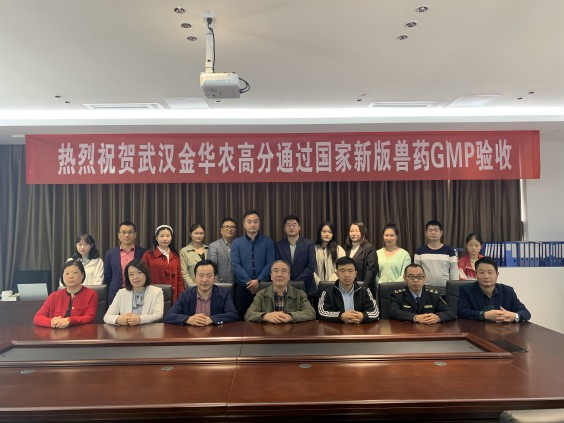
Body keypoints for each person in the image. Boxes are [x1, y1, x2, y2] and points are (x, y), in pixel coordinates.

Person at [231, 210, 276, 319]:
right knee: (242, 319)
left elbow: (271, 262)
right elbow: (235, 265)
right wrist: (250, 282)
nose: (252, 224)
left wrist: (259, 280)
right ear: (244, 224)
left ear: (259, 223)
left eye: (255, 222)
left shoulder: (268, 241)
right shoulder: (236, 243)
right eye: (249, 221)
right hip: (243, 287)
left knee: (266, 318)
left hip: (264, 287)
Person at [164, 259, 238, 326]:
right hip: (191, 334)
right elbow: (169, 316)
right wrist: (188, 319)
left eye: (209, 276)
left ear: (215, 277)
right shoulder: (185, 295)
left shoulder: (224, 294)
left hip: (215, 334)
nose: (204, 280)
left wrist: (212, 319)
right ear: (195, 277)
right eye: (201, 275)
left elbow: (233, 314)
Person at [457, 256, 531, 322]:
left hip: (503, 331)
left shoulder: (508, 291)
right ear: (476, 274)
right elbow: (461, 311)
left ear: (497, 274)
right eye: (481, 272)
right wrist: (484, 315)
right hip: (476, 330)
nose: (486, 276)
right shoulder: (466, 290)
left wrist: (514, 316)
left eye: (490, 272)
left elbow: (525, 313)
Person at [245, 260, 316, 323]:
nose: (279, 275)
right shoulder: (261, 294)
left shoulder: (300, 294)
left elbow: (311, 313)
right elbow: (248, 315)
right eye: (276, 271)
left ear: (289, 276)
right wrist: (265, 316)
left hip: (292, 332)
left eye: (284, 271)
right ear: (271, 276)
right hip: (268, 332)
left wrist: (291, 317)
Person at [34, 260, 98, 328]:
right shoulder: (53, 296)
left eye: (75, 273)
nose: (70, 276)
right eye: (67, 273)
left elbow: (89, 317)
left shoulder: (91, 294)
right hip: (57, 333)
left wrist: (69, 320)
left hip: (81, 333)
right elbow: (37, 318)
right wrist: (52, 321)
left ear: (82, 275)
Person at [318, 256, 379, 324]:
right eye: (342, 271)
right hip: (337, 329)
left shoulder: (365, 291)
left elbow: (375, 312)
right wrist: (341, 316)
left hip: (360, 328)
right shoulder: (327, 293)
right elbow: (322, 313)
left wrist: (363, 316)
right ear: (337, 274)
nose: (346, 275)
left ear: (355, 274)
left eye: (350, 271)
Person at [389, 264, 456, 323]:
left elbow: (451, 312)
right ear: (405, 278)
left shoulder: (433, 295)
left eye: (419, 277)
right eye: (411, 277)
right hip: (405, 330)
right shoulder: (398, 295)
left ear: (424, 278)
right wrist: (415, 318)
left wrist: (438, 317)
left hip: (428, 330)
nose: (416, 280)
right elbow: (393, 312)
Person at [104, 259, 164, 325]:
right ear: (128, 277)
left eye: (139, 273)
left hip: (148, 330)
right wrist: (118, 319)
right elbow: (107, 317)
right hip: (127, 330)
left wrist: (140, 319)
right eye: (131, 274)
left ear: (146, 274)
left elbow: (158, 315)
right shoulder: (121, 293)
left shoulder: (157, 292)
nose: (135, 277)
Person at [104, 220, 147, 305]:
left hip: (138, 293)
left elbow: (146, 274)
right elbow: (107, 276)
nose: (126, 235)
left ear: (135, 235)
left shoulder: (143, 252)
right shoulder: (110, 253)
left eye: (130, 232)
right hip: (115, 293)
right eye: (123, 232)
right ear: (119, 235)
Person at [275, 215, 316, 301]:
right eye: (288, 225)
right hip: (285, 287)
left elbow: (311, 267)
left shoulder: (309, 244)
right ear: (284, 228)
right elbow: (278, 265)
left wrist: (296, 282)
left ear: (299, 227)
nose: (291, 227)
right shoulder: (279, 245)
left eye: (294, 225)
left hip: (306, 287)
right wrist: (287, 279)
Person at [414, 219, 458, 295]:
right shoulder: (420, 251)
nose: (433, 233)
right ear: (426, 233)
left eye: (436, 230)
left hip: (446, 290)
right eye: (430, 230)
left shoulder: (449, 250)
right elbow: (416, 271)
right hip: (425, 290)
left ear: (441, 233)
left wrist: (454, 287)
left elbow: (454, 270)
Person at [142, 225, 184, 303]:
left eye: (168, 236)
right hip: (154, 295)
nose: (165, 239)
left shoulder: (175, 256)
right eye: (162, 236)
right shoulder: (148, 255)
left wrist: (181, 296)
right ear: (156, 238)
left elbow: (179, 279)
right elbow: (143, 276)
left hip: (173, 296)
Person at [344, 221, 378, 295]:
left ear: (362, 232)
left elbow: (372, 269)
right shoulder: (346, 248)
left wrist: (363, 288)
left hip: (364, 290)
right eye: (351, 231)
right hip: (348, 289)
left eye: (357, 231)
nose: (354, 233)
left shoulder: (369, 248)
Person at [208, 218, 238, 283]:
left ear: (235, 230)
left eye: (232, 227)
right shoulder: (214, 246)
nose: (230, 229)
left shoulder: (240, 245)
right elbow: (211, 268)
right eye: (226, 227)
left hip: (239, 284)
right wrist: (217, 284)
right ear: (221, 230)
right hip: (222, 284)